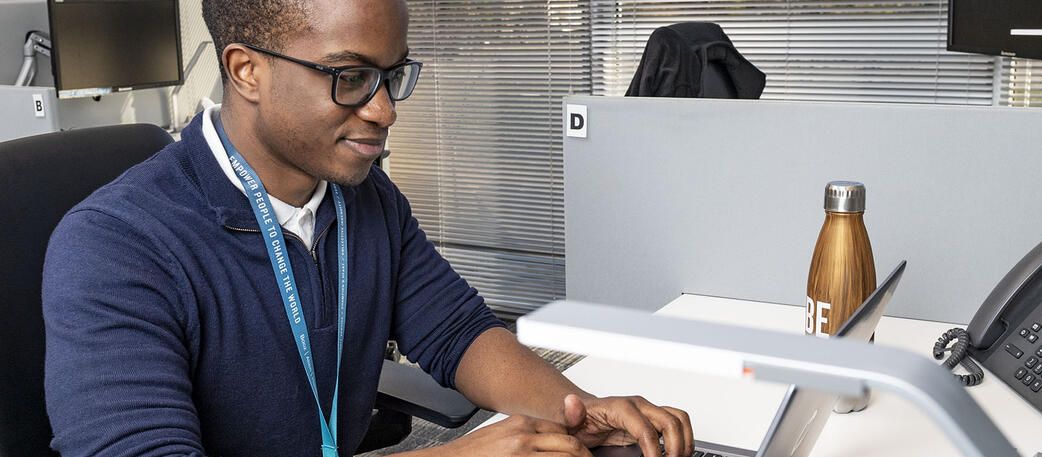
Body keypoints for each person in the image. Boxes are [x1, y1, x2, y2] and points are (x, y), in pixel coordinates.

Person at [40, 0, 695, 455]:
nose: (383, 109)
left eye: (390, 75)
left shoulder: (367, 197)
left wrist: (579, 410)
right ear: (248, 71)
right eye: (351, 77)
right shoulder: (117, 247)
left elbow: (458, 332)